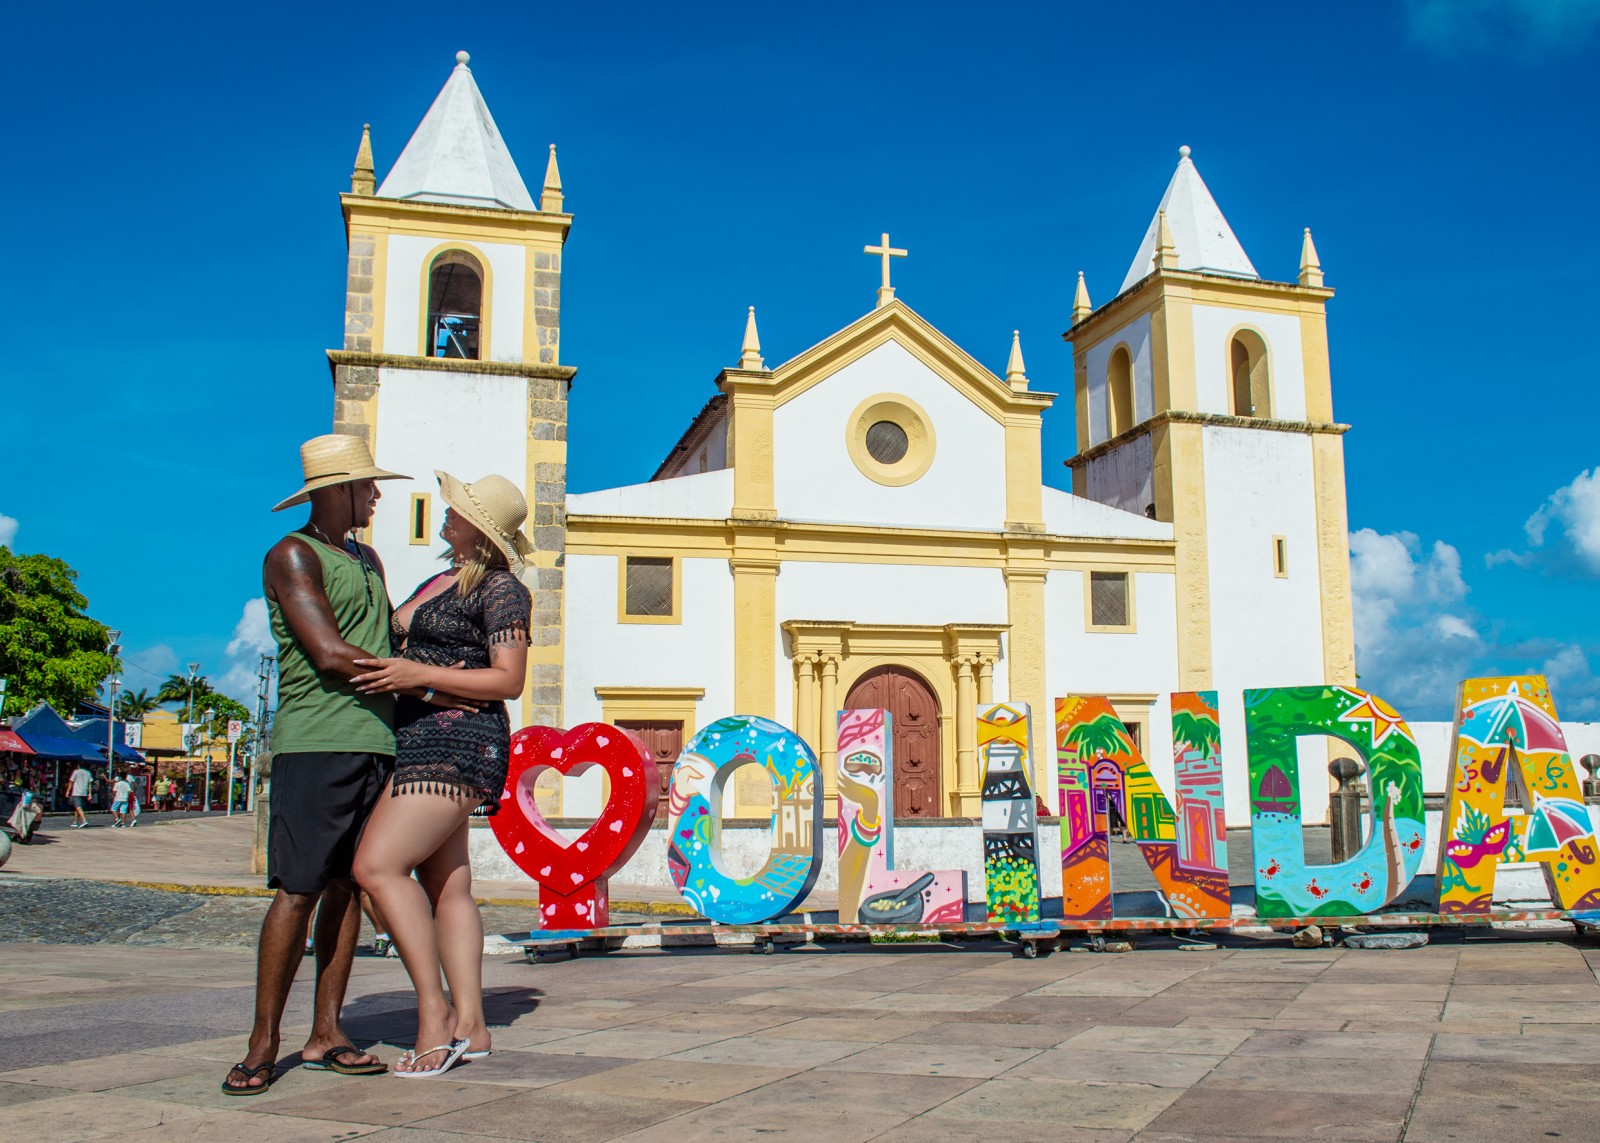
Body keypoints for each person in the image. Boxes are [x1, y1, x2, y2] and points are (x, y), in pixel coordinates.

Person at [221, 434, 476, 1097]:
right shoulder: (292, 554)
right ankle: (262, 1042)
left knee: (347, 886)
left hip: (377, 741)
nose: (376, 494)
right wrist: (432, 689)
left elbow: (386, 634)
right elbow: (332, 654)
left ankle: (327, 1030)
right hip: (318, 741)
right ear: (335, 491)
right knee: (299, 888)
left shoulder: (367, 557)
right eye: (366, 485)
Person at [352, 471, 532, 1078]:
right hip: (417, 737)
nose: (446, 515)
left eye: (457, 511)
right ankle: (474, 1025)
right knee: (448, 885)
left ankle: (436, 1015)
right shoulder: (438, 579)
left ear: (480, 529)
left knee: (375, 867)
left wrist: (419, 678)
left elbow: (508, 680)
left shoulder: (501, 588)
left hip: (454, 742)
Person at [67, 764, 93, 828]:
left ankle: (84, 820)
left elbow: (71, 781)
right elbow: (90, 783)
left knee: (78, 807)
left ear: (78, 766)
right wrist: (90, 793)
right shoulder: (88, 773)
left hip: (77, 792)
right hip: (84, 792)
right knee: (78, 807)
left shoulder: (76, 772)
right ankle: (75, 822)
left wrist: (68, 791)